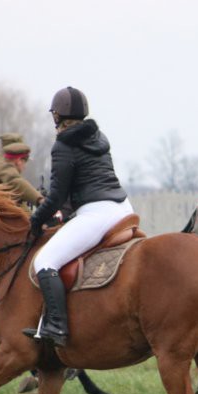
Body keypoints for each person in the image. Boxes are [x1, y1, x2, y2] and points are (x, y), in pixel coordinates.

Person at [24, 86, 133, 347]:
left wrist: (36, 221)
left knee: (45, 261)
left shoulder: (62, 145)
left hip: (97, 213)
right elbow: (78, 188)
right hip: (123, 208)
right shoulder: (99, 137)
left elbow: (58, 196)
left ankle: (57, 327)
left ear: (57, 116)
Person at [0, 133, 43, 210]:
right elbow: (17, 183)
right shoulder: (5, 164)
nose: (24, 167)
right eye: (24, 160)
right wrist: (40, 200)